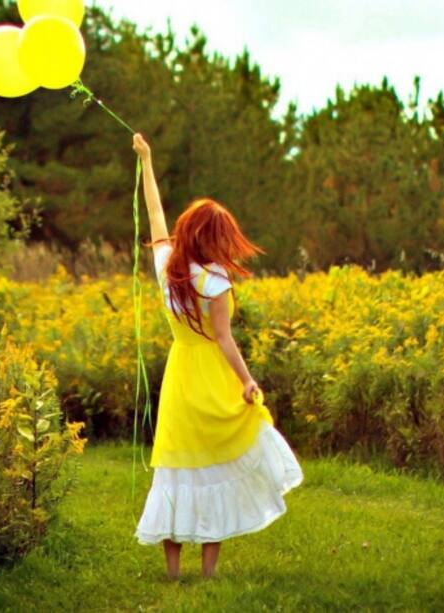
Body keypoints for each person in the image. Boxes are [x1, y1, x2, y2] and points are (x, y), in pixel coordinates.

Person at [130, 133, 304, 581]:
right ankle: (207, 575)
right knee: (216, 466)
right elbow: (224, 339)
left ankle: (173, 572)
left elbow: (154, 212)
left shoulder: (166, 266)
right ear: (214, 239)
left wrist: (146, 160)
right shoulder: (216, 281)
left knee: (174, 468)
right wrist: (246, 381)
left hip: (179, 373)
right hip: (211, 373)